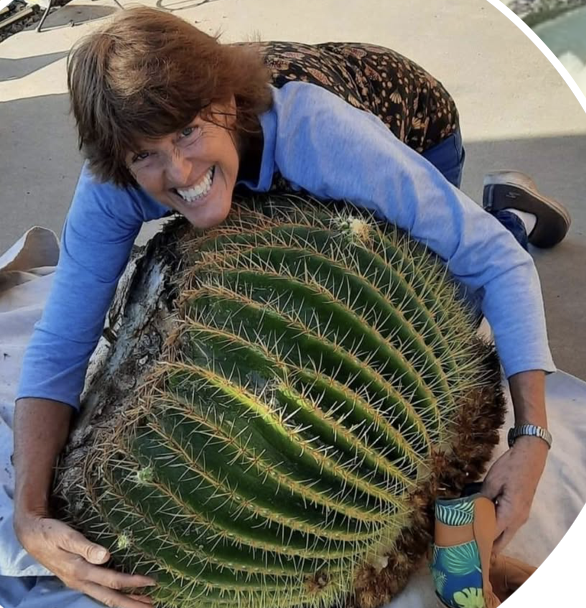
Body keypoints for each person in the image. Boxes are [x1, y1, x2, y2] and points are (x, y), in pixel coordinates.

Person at [12, 6, 571, 608]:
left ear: (226, 105)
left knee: (430, 314)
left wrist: (532, 437)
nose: (178, 169)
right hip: (269, 149)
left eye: (187, 132)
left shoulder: (321, 137)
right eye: (145, 155)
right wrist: (30, 513)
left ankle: (510, 213)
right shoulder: (115, 183)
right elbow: (61, 344)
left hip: (409, 123)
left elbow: (494, 263)